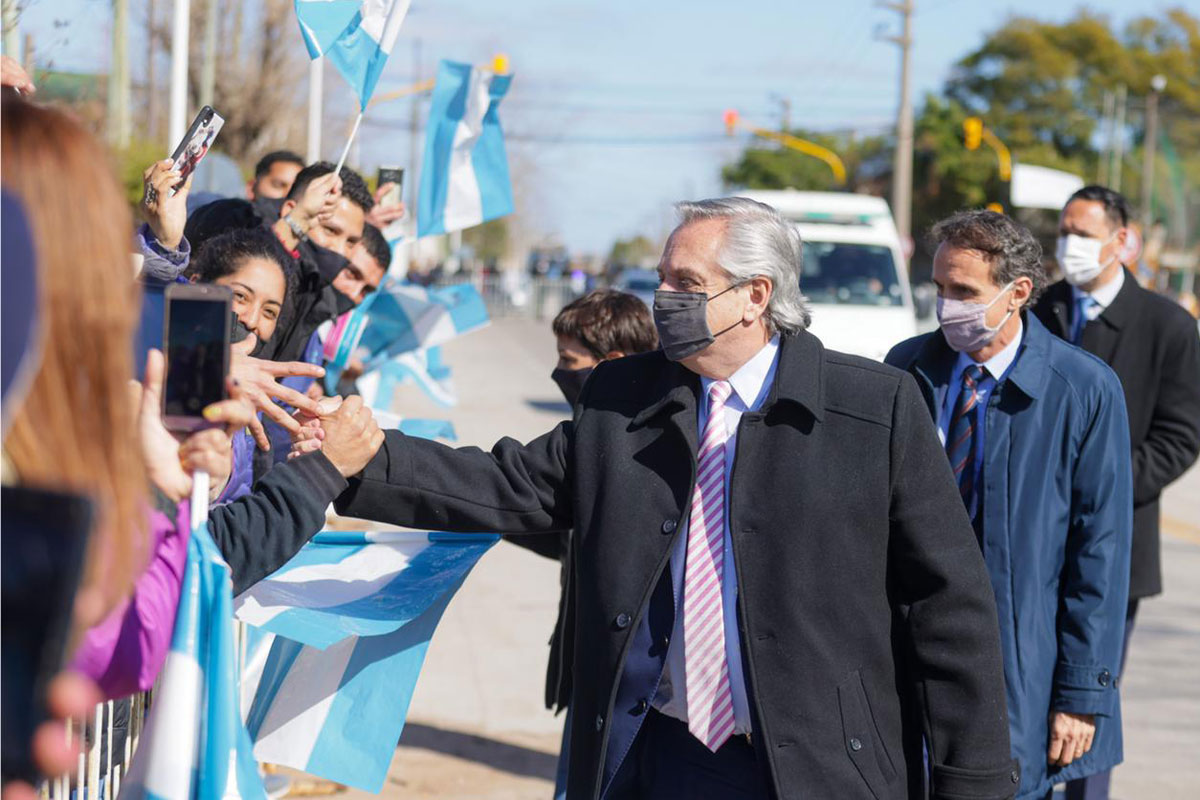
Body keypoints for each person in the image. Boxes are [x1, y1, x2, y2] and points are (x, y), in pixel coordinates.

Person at [309, 197, 1018, 799]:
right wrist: (371, 458)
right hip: (657, 755)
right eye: (663, 279)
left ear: (755, 295)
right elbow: (512, 483)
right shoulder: (625, 398)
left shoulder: (873, 409)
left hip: (813, 767)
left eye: (687, 281)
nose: (664, 299)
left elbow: (948, 609)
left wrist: (974, 781)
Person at [885, 210, 1133, 800]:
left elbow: (1099, 553)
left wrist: (1082, 695)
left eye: (965, 292)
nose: (947, 305)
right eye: (940, 288)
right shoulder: (905, 371)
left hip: (1022, 666)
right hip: (908, 653)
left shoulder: (1082, 389)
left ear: (1018, 293)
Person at [1032, 186, 1200, 800]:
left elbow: (1180, 437)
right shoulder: (1037, 308)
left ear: (1121, 240)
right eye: (1064, 231)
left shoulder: (1168, 327)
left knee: (1087, 699)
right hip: (1029, 544)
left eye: (1083, 232)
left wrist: (1100, 491)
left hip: (1115, 553)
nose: (1070, 244)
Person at [509, 288, 659, 800]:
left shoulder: (642, 448)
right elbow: (572, 536)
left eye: (568, 361)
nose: (558, 372)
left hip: (626, 685)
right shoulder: (589, 428)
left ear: (612, 363)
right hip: (589, 672)